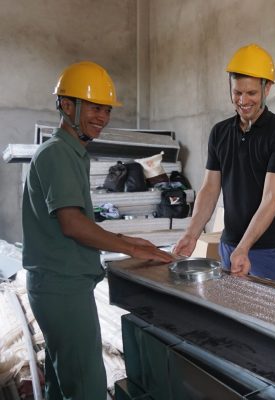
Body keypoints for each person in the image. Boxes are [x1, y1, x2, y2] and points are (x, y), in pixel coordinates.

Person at [22, 61, 174, 400]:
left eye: (106, 109)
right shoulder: (58, 153)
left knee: (63, 382)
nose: (102, 117)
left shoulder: (72, 153)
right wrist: (131, 249)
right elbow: (72, 224)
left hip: (59, 285)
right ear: (66, 105)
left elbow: (77, 218)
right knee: (87, 386)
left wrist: (127, 239)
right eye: (94, 107)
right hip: (62, 289)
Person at [173, 44, 275, 283]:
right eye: (237, 93)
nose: (243, 101)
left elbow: (271, 198)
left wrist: (244, 247)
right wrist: (192, 234)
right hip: (229, 245)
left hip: (269, 251)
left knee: (265, 319)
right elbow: (210, 189)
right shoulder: (220, 133)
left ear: (267, 88)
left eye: (251, 93)